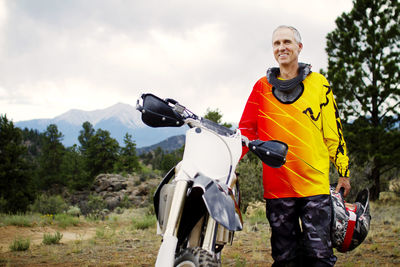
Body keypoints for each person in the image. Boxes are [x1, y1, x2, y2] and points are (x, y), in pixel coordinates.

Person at [239, 25, 351, 266]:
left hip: (314, 186)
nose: (282, 48)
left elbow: (333, 132)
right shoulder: (261, 88)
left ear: (299, 47)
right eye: (277, 43)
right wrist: (227, 163)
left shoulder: (319, 84)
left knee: (320, 257)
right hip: (278, 187)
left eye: (287, 42)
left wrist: (343, 171)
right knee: (284, 258)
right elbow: (245, 131)